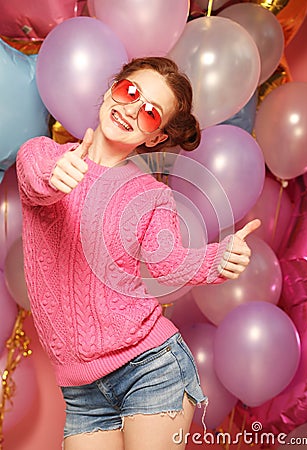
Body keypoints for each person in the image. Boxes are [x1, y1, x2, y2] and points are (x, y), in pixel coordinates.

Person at [16, 56, 261, 450]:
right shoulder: (43, 154)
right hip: (81, 391)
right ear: (113, 87)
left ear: (155, 138)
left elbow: (167, 263)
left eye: (150, 114)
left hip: (150, 368)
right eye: (129, 91)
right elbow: (36, 179)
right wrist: (56, 174)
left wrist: (217, 258)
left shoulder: (152, 195)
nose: (131, 110)